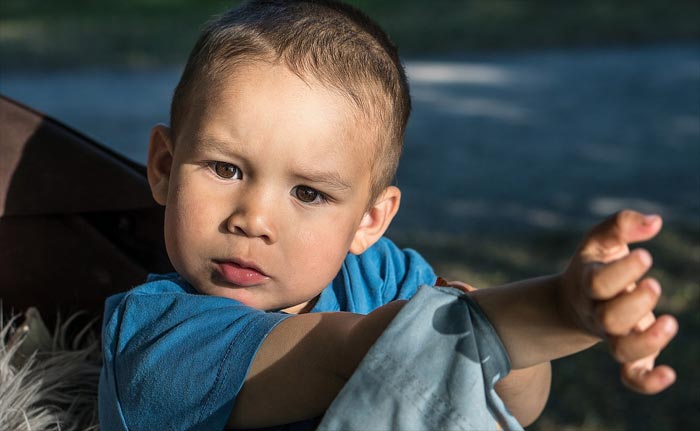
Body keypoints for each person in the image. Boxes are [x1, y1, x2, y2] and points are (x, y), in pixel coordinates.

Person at [98, 1, 678, 429]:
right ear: (165, 168)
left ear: (370, 221)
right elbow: (352, 350)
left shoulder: (380, 278)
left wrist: (561, 324)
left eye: (308, 193)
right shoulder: (156, 341)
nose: (254, 219)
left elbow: (508, 396)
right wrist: (544, 308)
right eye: (226, 169)